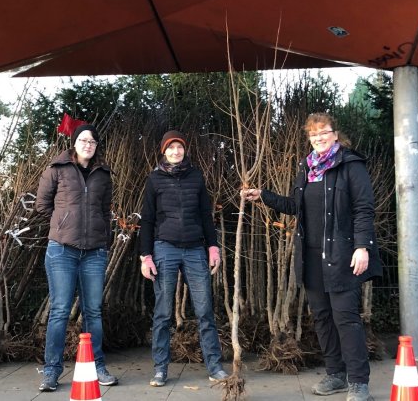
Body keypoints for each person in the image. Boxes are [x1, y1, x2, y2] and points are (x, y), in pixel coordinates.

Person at [241, 113, 381, 401]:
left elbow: (364, 209)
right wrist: (263, 195)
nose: (318, 138)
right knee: (322, 318)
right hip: (312, 257)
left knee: (346, 318)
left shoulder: (351, 165)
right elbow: (295, 206)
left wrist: (362, 247)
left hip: (343, 255)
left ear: (335, 134)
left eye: (323, 132)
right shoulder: (307, 168)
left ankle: (358, 382)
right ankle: (335, 375)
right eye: (313, 134)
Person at [138, 130, 229, 387]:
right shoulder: (154, 179)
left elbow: (205, 215)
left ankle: (214, 366)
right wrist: (146, 256)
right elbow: (147, 220)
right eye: (171, 147)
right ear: (163, 151)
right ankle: (160, 369)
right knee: (163, 312)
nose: (176, 151)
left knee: (204, 310)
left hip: (194, 249)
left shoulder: (196, 176)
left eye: (179, 147)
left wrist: (213, 247)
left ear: (184, 150)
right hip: (164, 247)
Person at [35, 124, 118, 391]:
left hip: (94, 251)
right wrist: (63, 223)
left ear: (96, 146)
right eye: (83, 140)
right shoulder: (57, 169)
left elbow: (105, 210)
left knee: (93, 311)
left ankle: (98, 367)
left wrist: (103, 237)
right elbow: (42, 204)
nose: (88, 145)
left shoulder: (103, 175)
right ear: (74, 143)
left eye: (92, 141)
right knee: (60, 310)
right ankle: (51, 371)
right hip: (62, 249)